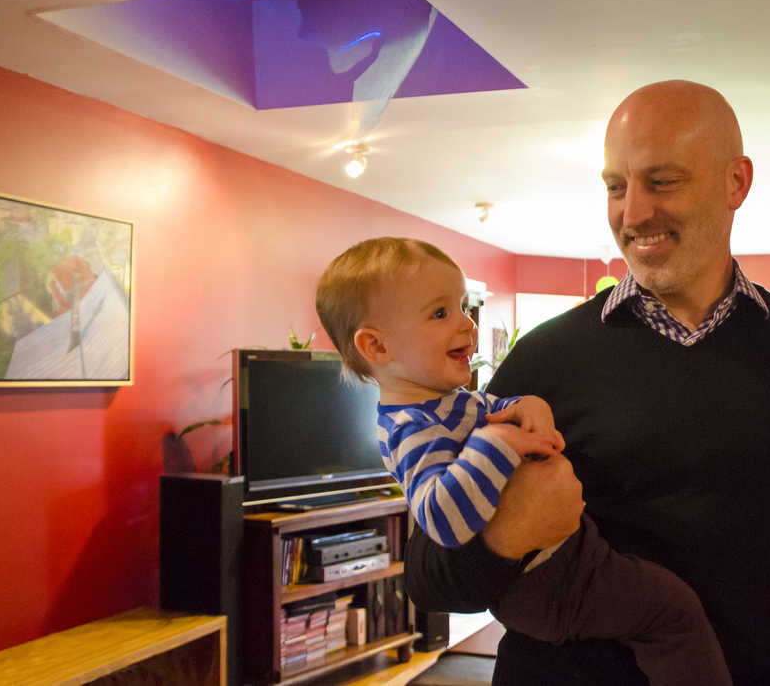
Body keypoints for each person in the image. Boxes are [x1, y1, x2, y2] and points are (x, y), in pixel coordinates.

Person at [402, 81, 770, 686]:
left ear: (736, 183)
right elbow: (427, 577)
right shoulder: (543, 360)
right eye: (616, 188)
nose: (633, 213)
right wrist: (508, 534)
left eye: (662, 181)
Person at [314, 236, 734, 686]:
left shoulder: (449, 403)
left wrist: (527, 404)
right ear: (376, 347)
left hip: (566, 563)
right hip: (548, 581)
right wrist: (497, 443)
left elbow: (498, 407)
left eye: (460, 306)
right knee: (673, 613)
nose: (466, 324)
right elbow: (441, 520)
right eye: (440, 313)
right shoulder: (410, 431)